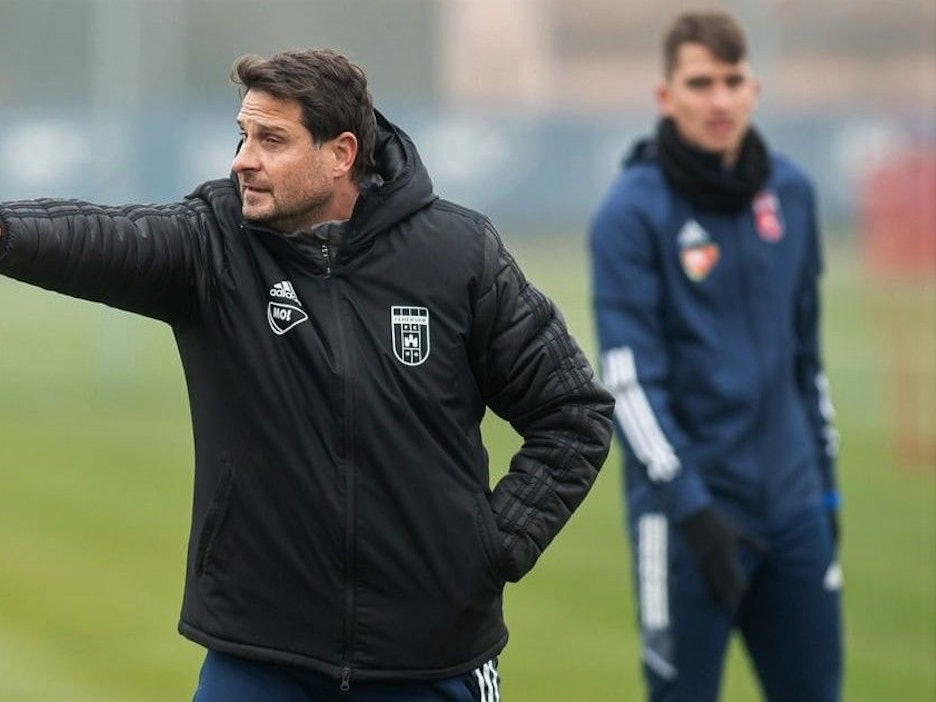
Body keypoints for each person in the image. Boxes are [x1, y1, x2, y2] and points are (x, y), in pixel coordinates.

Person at [0, 49, 614, 701]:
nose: (243, 159)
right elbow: (94, 236)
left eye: (271, 140)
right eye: (243, 136)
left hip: (429, 659)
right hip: (259, 657)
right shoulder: (214, 248)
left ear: (341, 153)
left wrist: (494, 545)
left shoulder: (459, 255)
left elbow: (573, 412)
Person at [588, 10, 842, 702]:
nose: (720, 99)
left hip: (793, 513)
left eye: (733, 81)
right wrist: (690, 507)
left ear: (754, 89)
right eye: (701, 83)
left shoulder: (789, 193)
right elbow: (628, 385)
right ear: (666, 97)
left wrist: (825, 492)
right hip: (685, 521)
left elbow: (806, 359)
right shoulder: (630, 213)